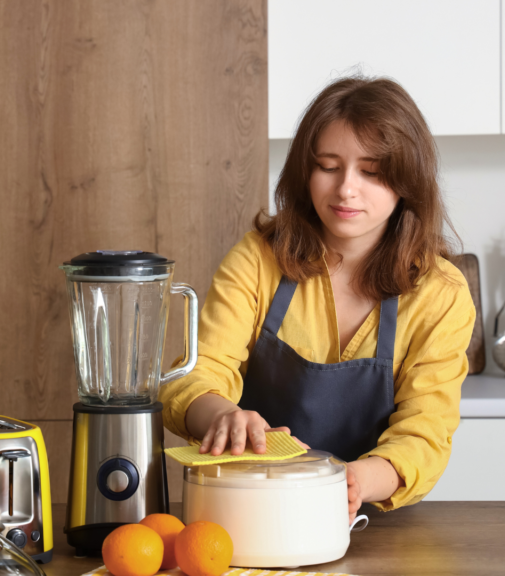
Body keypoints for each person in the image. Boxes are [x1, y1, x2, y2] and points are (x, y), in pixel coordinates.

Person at [159, 76, 475, 522]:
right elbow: (194, 372)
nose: (346, 188)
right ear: (304, 171)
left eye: (372, 171)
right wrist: (222, 415)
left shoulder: (440, 293)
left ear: (407, 180)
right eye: (328, 166)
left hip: (371, 519)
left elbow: (425, 433)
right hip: (248, 512)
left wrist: (353, 483)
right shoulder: (257, 260)